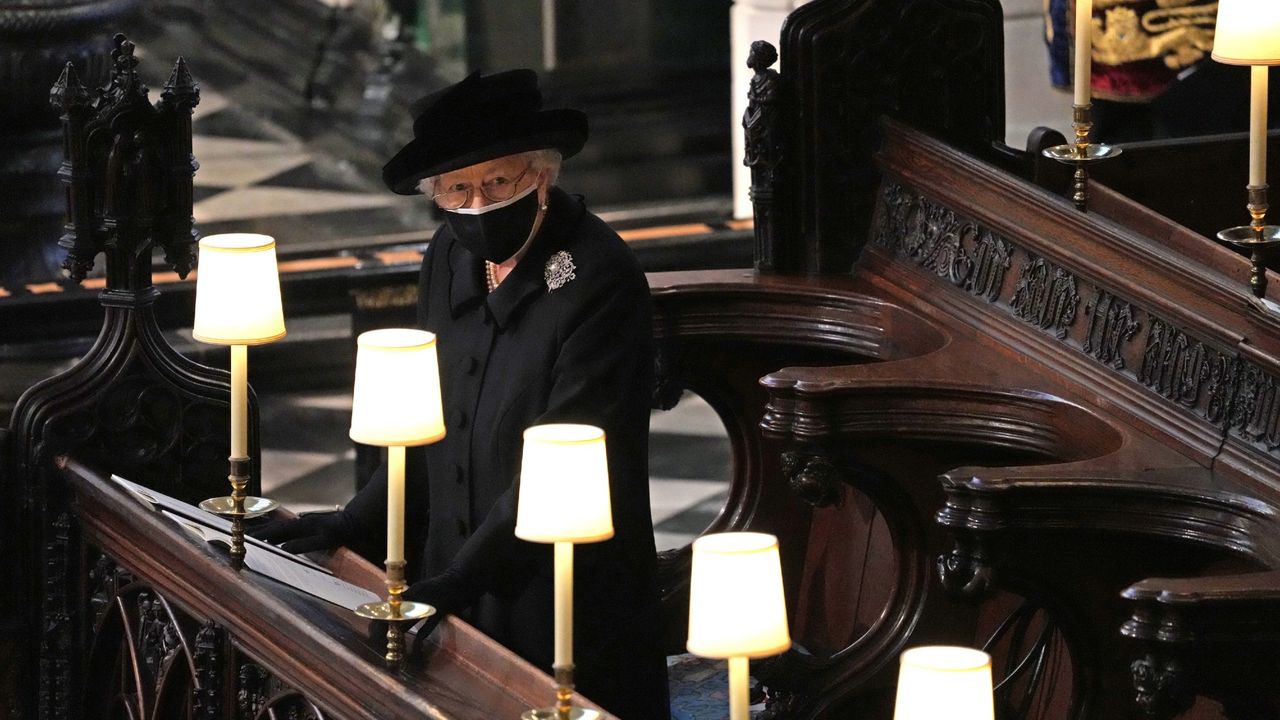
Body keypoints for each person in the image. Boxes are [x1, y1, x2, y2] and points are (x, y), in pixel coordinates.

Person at [260, 69, 670, 719]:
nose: (476, 204)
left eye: (496, 182)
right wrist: (351, 522)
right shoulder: (447, 257)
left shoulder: (599, 276)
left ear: (541, 175)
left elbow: (567, 461)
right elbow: (428, 427)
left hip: (556, 597)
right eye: (456, 189)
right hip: (448, 585)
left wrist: (462, 581)